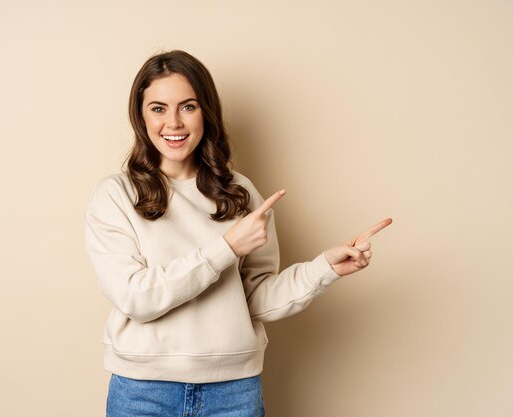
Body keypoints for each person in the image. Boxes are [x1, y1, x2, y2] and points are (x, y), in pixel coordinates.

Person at [85, 50, 392, 417]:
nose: (174, 123)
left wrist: (324, 268)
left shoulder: (239, 192)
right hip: (142, 391)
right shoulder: (115, 195)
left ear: (206, 112)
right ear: (140, 115)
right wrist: (226, 248)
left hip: (233, 393)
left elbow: (255, 299)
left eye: (188, 106)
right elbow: (136, 298)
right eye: (158, 108)